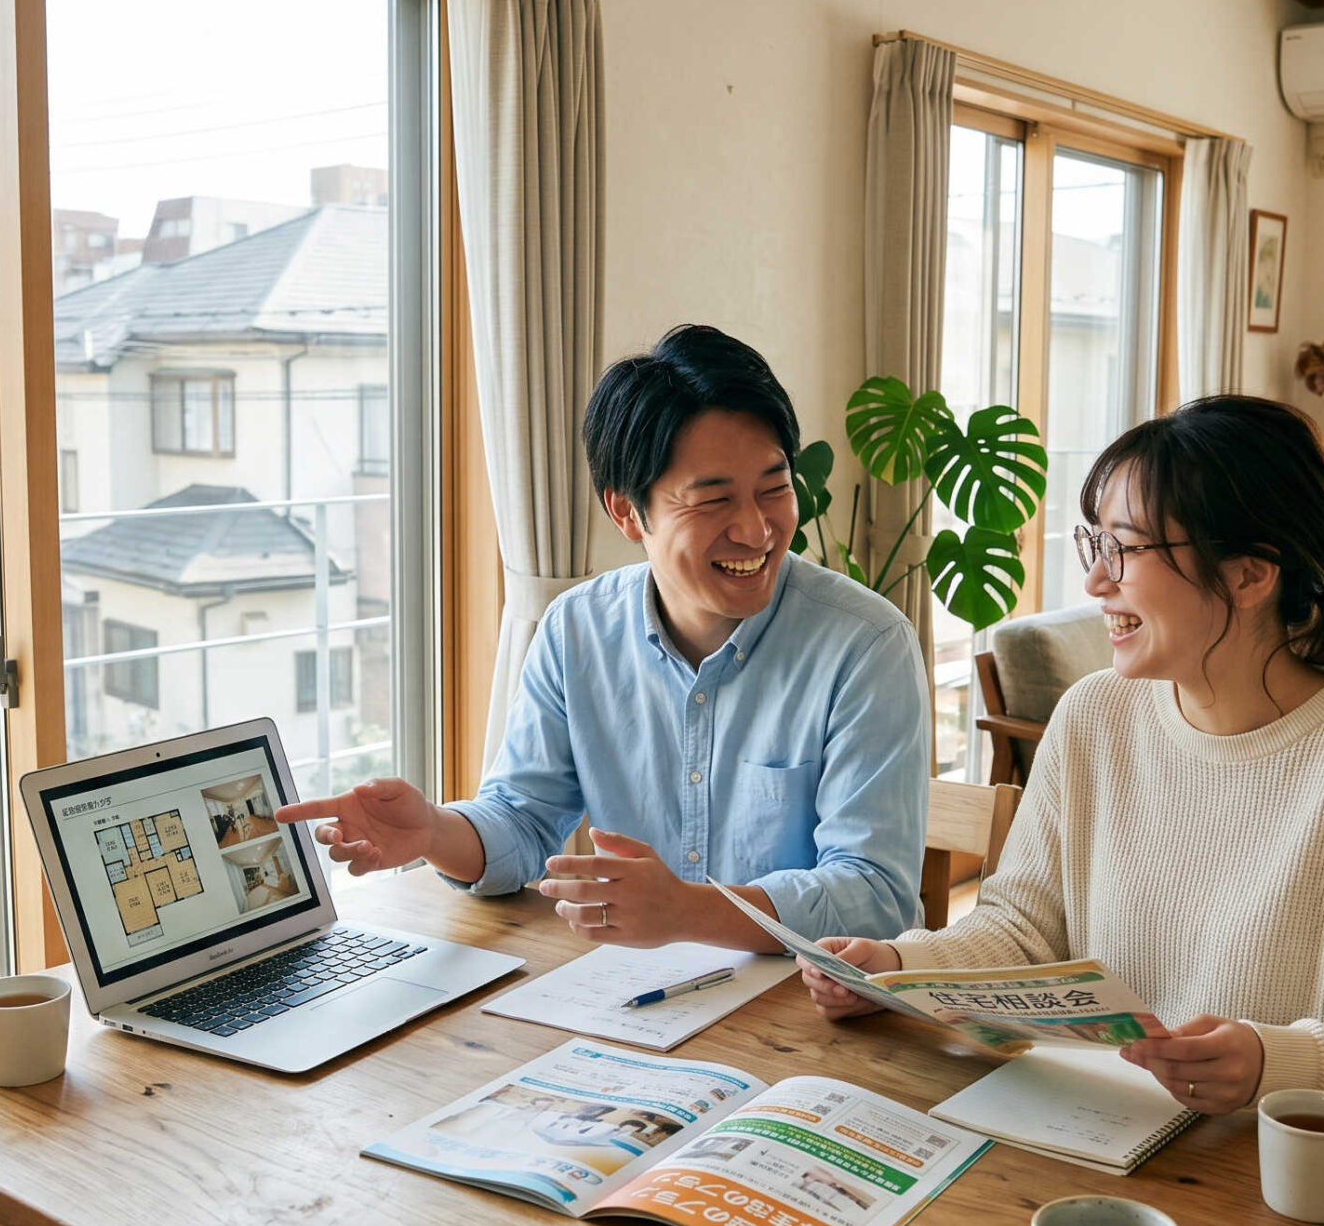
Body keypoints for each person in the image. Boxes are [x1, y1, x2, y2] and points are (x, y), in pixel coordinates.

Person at [800, 395, 1324, 1117]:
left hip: (1264, 1175)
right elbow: (1022, 930)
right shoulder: (1093, 715)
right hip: (1084, 1130)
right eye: (1094, 544)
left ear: (1251, 574)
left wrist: (1275, 1063)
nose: (1097, 581)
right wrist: (897, 966)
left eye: (1125, 549)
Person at [277, 324, 929, 950]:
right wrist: (434, 831)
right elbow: (525, 820)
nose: (757, 530)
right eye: (713, 501)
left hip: (810, 1014)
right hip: (631, 1005)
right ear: (626, 510)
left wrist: (685, 912)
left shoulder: (864, 646)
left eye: (774, 488)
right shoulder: (576, 631)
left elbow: (874, 896)